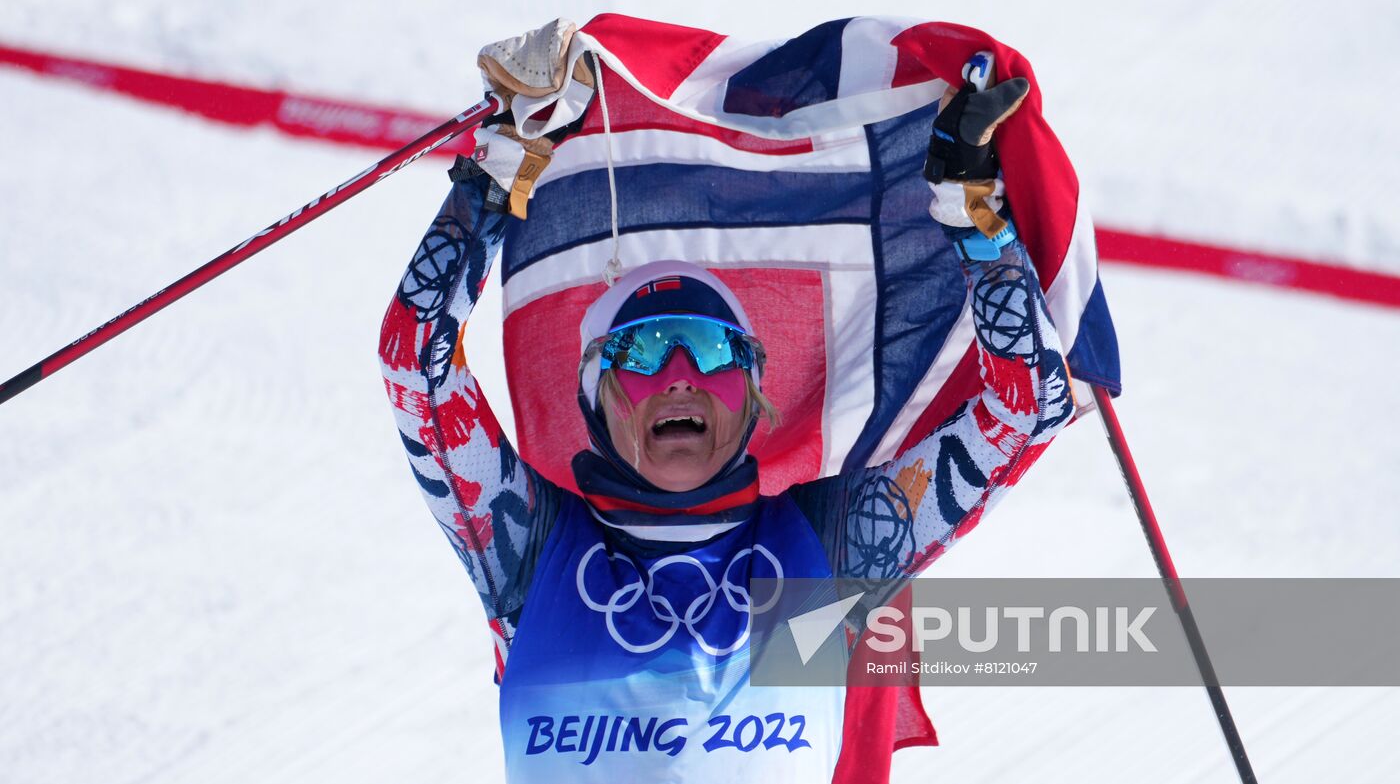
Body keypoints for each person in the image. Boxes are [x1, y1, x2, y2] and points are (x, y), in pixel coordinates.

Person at [378, 66, 1072, 782]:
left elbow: (1025, 410)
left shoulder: (825, 550)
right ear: (597, 394)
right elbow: (413, 364)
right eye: (641, 349)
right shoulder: (530, 554)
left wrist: (974, 214)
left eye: (713, 351)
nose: (680, 372)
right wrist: (494, 172)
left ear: (751, 396)